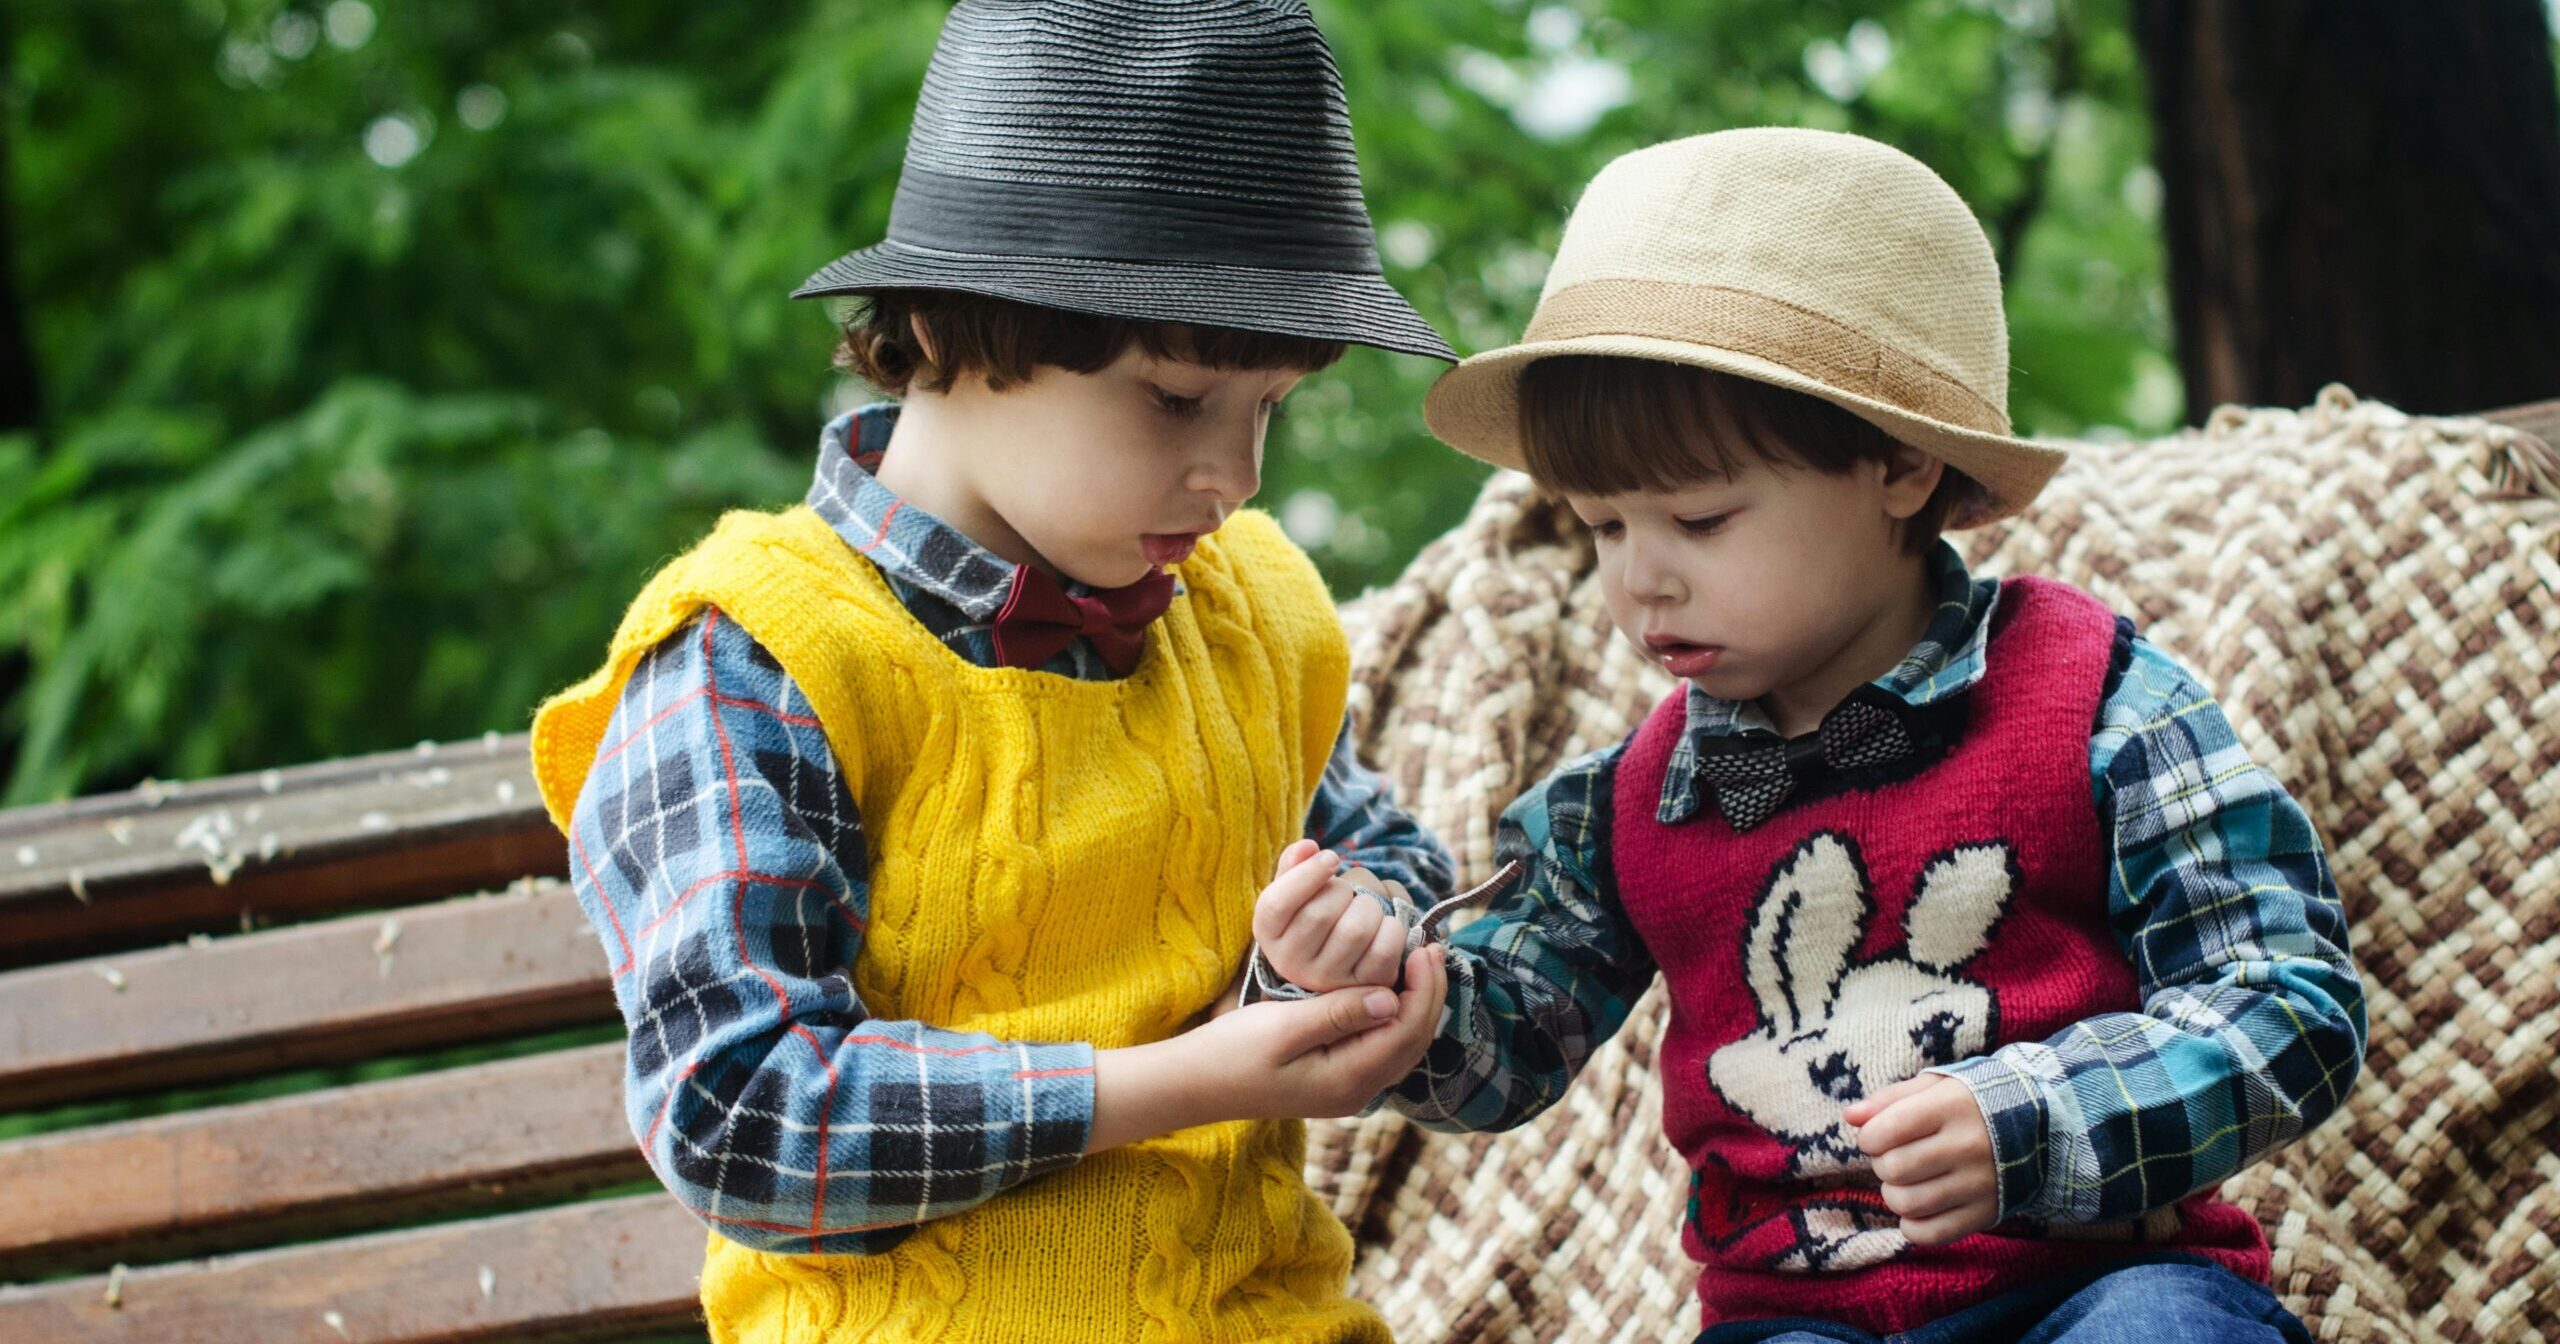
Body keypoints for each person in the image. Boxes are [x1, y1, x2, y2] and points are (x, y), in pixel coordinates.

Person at [1252, 127, 2367, 1344]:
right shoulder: (1634, 800)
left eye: (1697, 517)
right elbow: (1501, 1050)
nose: (1641, 584)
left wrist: (2029, 1120)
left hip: (2102, 1282)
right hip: (1794, 1319)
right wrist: (1381, 985)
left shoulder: (2098, 700)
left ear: (1897, 467)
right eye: (1602, 528)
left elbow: (2287, 1001)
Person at [527, 3, 1461, 1340]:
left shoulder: (1253, 612)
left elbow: (1402, 887)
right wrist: (1174, 1083)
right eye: (1178, 397)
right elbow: (739, 1116)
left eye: (1272, 408)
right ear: (954, 325)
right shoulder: (756, 657)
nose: (1238, 477)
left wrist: (1344, 951)